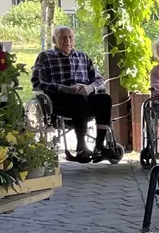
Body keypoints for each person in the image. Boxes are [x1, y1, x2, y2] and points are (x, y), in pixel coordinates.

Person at [31, 25, 113, 162]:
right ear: (54, 40)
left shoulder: (83, 56)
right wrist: (63, 88)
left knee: (104, 99)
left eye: (70, 37)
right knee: (77, 99)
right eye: (63, 37)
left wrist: (88, 88)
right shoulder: (45, 57)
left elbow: (99, 79)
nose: (67, 40)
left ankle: (99, 146)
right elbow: (37, 82)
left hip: (84, 96)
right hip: (60, 100)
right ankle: (81, 146)